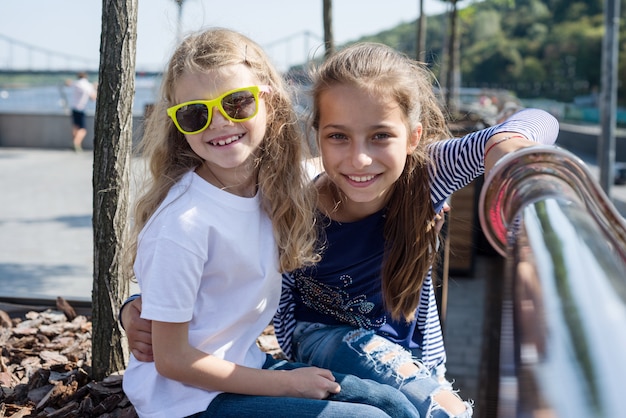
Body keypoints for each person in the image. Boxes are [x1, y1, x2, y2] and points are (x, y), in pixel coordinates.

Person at [121, 42, 560, 417]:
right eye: (338, 137)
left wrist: (506, 149)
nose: (360, 160)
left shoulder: (425, 174)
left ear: (413, 137)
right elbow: (192, 251)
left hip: (412, 358)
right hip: (317, 341)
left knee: (425, 402)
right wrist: (138, 304)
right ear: (317, 135)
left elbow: (541, 119)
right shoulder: (290, 192)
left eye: (381, 136)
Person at [121, 28, 420, 418]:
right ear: (179, 123)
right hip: (186, 400)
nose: (219, 123)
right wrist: (287, 384)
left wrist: (419, 192)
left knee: (395, 404)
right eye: (196, 113)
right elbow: (172, 360)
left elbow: (342, 168)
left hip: (242, 369)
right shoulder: (184, 224)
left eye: (237, 103)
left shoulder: (273, 188)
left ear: (271, 103)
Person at [68, 71, 97, 152]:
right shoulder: (87, 85)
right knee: (83, 129)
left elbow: (68, 83)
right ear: (86, 77)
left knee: (76, 127)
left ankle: (76, 144)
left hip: (74, 107)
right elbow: (93, 98)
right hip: (81, 108)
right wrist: (95, 88)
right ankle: (76, 143)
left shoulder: (75, 83)